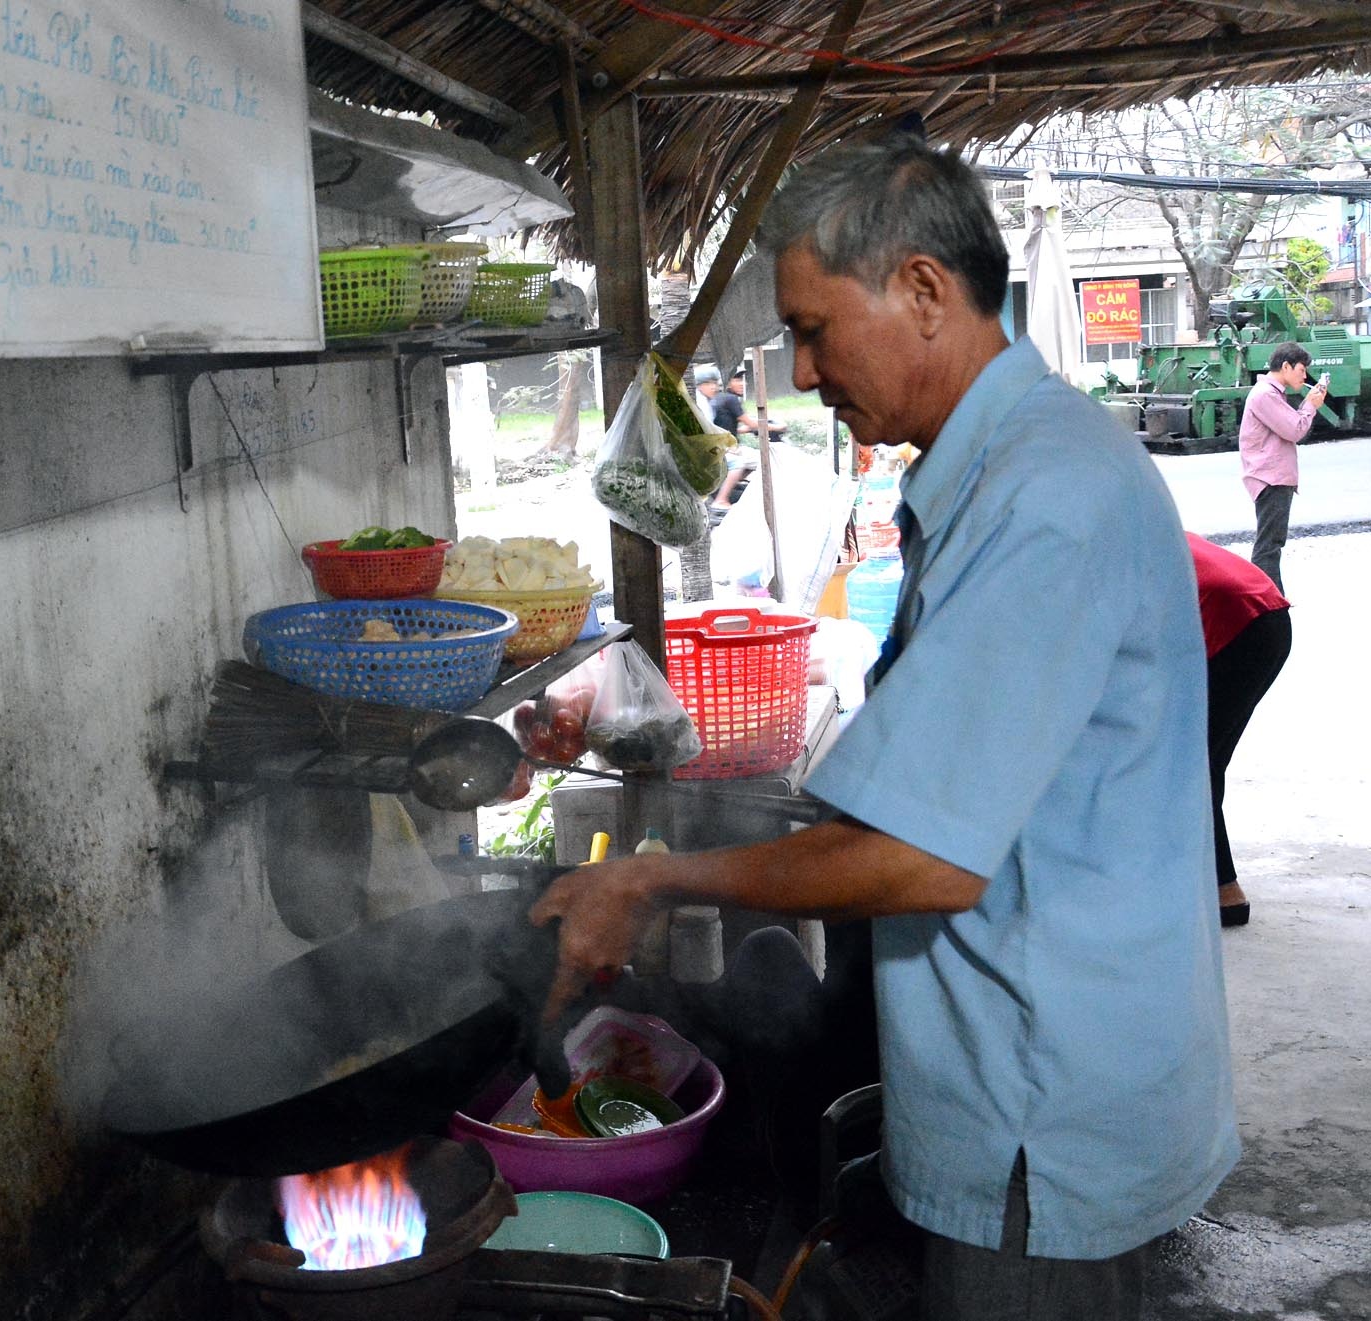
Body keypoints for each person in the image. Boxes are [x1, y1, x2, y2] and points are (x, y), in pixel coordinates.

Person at [532, 138, 1236, 1321]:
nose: (804, 372)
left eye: (813, 330)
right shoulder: (1014, 464)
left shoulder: (1043, 499)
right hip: (1044, 1064)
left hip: (1040, 1109)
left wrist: (650, 880)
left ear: (921, 290)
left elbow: (922, 856)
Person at [1187, 532, 1292, 927]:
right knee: (1202, 762)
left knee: (1191, 766)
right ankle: (1210, 883)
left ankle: (1223, 890)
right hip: (1266, 615)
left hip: (1238, 623)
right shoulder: (1139, 526)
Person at [1238, 342, 1326, 591]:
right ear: (1286, 366)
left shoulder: (1271, 393)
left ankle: (1269, 600)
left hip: (1273, 477)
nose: (1304, 376)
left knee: (1271, 543)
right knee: (1269, 545)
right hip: (1270, 478)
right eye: (1301, 370)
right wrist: (1310, 405)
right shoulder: (1265, 394)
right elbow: (1294, 430)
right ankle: (1266, 602)